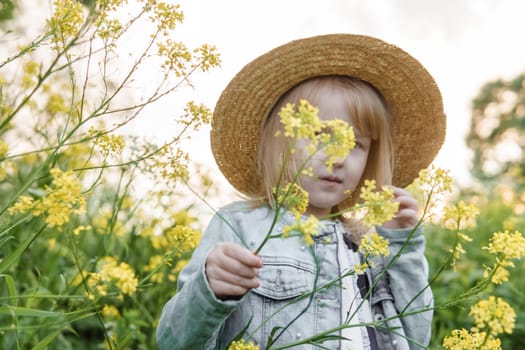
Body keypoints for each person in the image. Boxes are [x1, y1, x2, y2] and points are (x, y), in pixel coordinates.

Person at [156, 34, 446, 350]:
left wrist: (402, 245)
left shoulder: (372, 244)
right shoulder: (241, 226)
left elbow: (416, 339)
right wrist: (211, 289)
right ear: (278, 140)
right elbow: (174, 342)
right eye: (319, 135)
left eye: (356, 144)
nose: (337, 157)